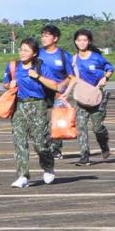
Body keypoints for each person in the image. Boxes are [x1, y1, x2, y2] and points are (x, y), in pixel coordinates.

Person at [5, 38, 60, 188]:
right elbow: (6, 82)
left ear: (34, 53)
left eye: (26, 50)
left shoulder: (41, 66)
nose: (22, 53)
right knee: (20, 142)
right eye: (21, 49)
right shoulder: (13, 66)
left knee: (40, 144)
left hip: (38, 105)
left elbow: (55, 85)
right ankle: (23, 176)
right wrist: (9, 85)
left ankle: (48, 166)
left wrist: (38, 77)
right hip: (19, 106)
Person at [64, 29, 114, 166]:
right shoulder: (73, 60)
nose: (82, 43)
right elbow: (73, 78)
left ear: (89, 41)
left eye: (85, 40)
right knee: (81, 127)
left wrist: (105, 78)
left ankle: (104, 144)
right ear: (75, 42)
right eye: (79, 40)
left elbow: (110, 68)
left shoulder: (97, 57)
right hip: (81, 97)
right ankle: (84, 156)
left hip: (97, 96)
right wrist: (66, 93)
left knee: (97, 128)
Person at [38, 24, 72, 160]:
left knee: (57, 122)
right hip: (40, 93)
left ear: (55, 38)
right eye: (42, 35)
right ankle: (43, 148)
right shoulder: (37, 54)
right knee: (41, 122)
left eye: (47, 35)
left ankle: (56, 149)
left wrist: (60, 87)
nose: (43, 38)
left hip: (58, 94)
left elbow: (71, 76)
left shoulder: (64, 56)